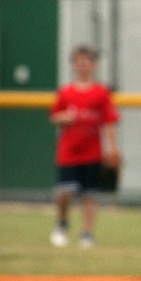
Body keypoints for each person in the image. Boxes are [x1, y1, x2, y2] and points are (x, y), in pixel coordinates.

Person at [49, 45, 120, 248]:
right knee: (65, 193)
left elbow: (109, 121)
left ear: (94, 65)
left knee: (89, 195)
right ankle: (62, 224)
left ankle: (87, 234)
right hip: (68, 151)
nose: (83, 65)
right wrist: (62, 117)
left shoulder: (101, 93)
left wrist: (113, 150)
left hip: (92, 152)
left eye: (87, 61)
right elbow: (54, 116)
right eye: (79, 61)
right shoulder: (65, 92)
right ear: (73, 65)